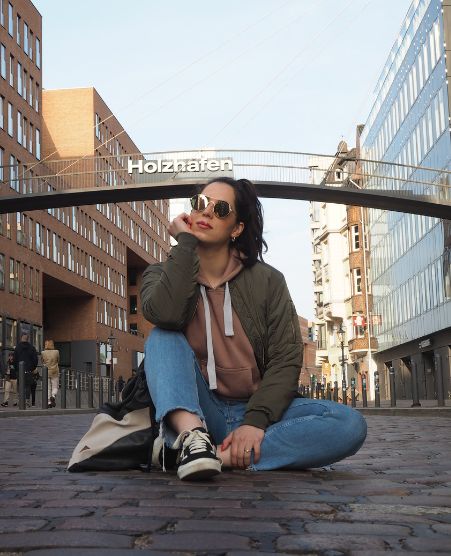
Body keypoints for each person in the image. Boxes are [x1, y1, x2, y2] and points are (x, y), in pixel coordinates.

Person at [141, 177, 367, 481]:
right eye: (200, 204)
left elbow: (286, 359)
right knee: (163, 335)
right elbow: (164, 315)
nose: (206, 213)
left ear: (237, 228)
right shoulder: (160, 275)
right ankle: (193, 441)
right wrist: (185, 245)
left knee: (348, 424)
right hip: (200, 411)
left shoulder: (268, 281)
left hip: (260, 408)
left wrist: (255, 422)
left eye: (220, 209)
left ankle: (212, 457)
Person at [13, 334, 39, 408]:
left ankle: (21, 400)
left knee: (20, 385)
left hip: (19, 369)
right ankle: (27, 401)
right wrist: (32, 368)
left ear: (21, 338)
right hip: (28, 370)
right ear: (28, 339)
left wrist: (16, 368)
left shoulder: (17, 347)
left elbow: (14, 359)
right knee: (28, 386)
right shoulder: (32, 348)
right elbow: (35, 360)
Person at [41, 340, 60, 408]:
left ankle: (49, 402)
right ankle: (53, 396)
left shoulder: (43, 352)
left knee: (48, 388)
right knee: (55, 386)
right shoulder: (56, 351)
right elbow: (58, 360)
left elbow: (42, 361)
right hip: (55, 371)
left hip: (46, 371)